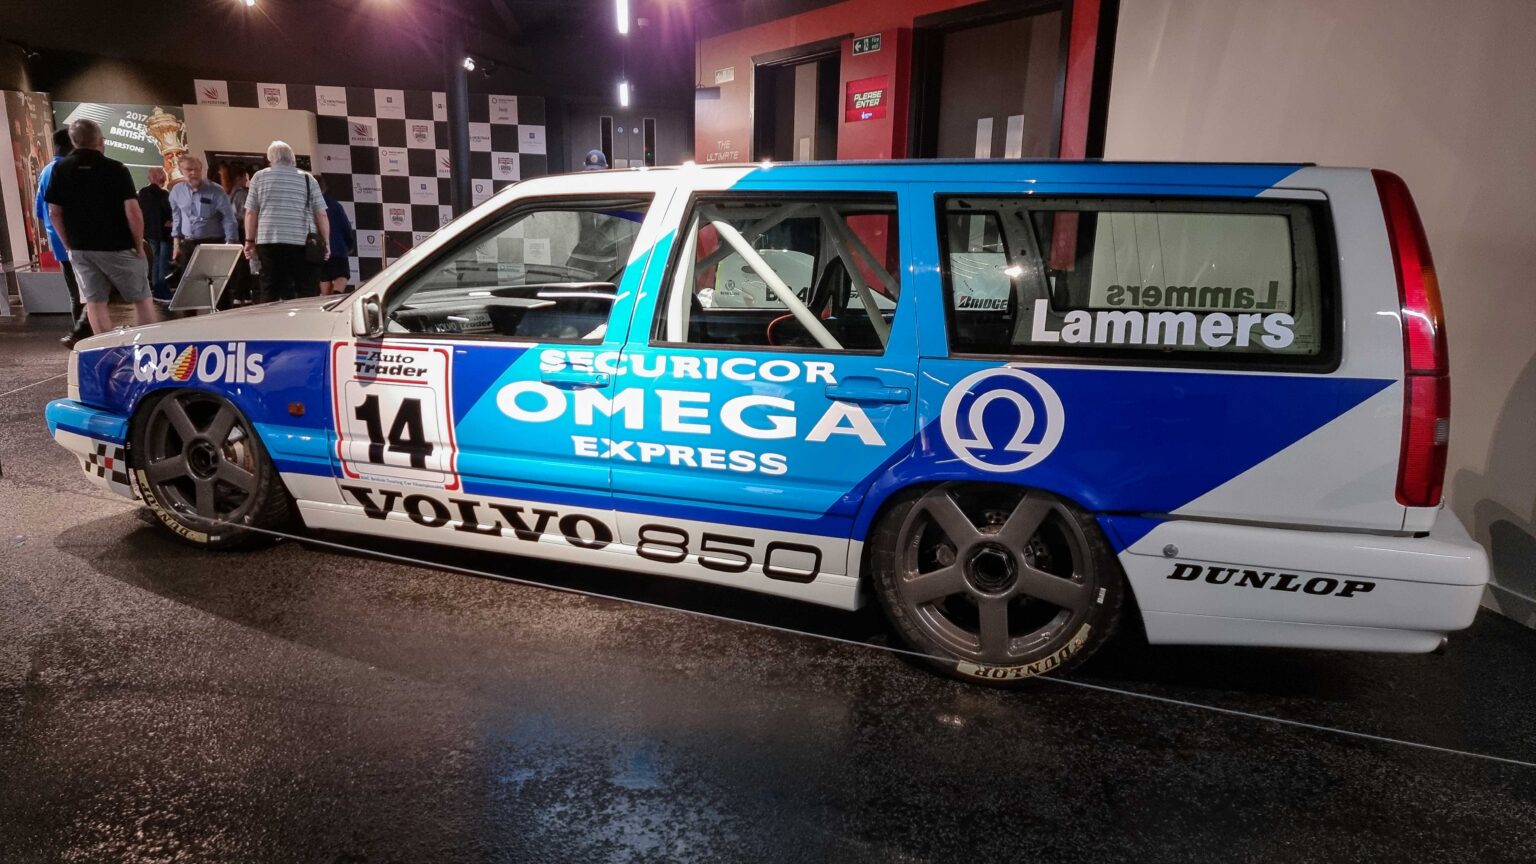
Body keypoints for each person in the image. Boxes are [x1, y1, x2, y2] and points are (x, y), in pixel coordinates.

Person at [43, 119, 160, 334]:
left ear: (74, 140)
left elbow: (54, 212)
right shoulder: (116, 169)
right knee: (142, 297)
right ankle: (147, 346)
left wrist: (68, 244)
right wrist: (139, 245)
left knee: (94, 302)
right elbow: (133, 211)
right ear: (100, 140)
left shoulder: (60, 169)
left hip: (82, 247)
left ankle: (106, 351)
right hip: (119, 245)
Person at [243, 141, 329, 302]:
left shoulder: (259, 177)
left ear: (270, 158)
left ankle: (269, 324)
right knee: (305, 289)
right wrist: (326, 243)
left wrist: (249, 240)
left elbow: (251, 212)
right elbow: (321, 214)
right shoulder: (308, 179)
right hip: (301, 241)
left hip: (268, 241)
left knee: (270, 288)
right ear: (292, 158)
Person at [34, 128, 91, 346]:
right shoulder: (69, 169)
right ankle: (82, 335)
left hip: (58, 241)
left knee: (75, 292)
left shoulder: (46, 171)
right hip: (77, 239)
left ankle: (79, 332)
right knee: (88, 291)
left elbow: (40, 210)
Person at [168, 156, 238, 295]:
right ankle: (190, 314)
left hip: (212, 242)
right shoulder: (176, 191)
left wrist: (230, 242)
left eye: (197, 169)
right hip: (188, 243)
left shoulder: (216, 190)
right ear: (181, 171)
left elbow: (228, 217)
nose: (193, 173)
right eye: (189, 170)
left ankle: (221, 312)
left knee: (215, 281)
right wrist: (176, 245)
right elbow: (176, 217)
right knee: (188, 283)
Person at [137, 167, 172, 302]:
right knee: (162, 261)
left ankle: (156, 288)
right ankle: (161, 289)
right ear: (160, 177)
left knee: (155, 260)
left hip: (150, 233)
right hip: (163, 232)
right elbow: (169, 212)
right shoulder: (164, 195)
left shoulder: (142, 193)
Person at [317, 174, 354, 294]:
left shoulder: (308, 205)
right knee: (342, 275)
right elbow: (345, 226)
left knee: (324, 277)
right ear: (324, 187)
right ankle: (336, 294)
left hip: (318, 249)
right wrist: (349, 244)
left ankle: (326, 302)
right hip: (338, 248)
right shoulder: (335, 205)